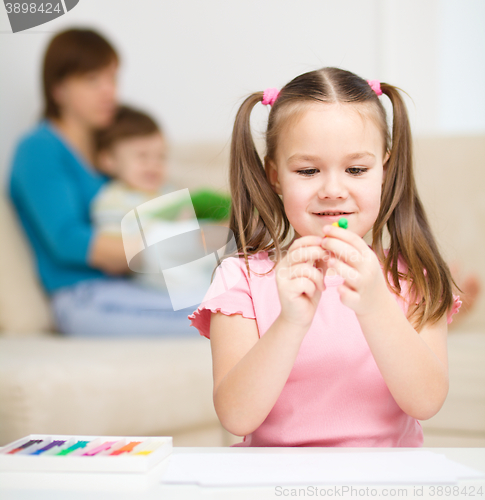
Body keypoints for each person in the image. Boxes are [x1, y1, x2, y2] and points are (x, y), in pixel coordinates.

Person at [188, 67, 463, 447]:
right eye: (308, 170)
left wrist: (375, 307)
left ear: (383, 170)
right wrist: (290, 322)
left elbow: (427, 401)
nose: (333, 190)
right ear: (275, 176)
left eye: (355, 169)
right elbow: (237, 417)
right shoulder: (241, 278)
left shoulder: (416, 273)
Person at [8, 28, 199, 337]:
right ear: (58, 89)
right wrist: (168, 249)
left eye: (112, 79)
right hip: (82, 295)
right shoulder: (39, 148)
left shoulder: (108, 151)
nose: (109, 91)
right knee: (218, 317)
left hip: (127, 287)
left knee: (233, 303)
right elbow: (67, 240)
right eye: (92, 80)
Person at [91, 104, 232, 291]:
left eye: (161, 157)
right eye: (142, 157)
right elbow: (116, 247)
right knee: (159, 236)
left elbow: (185, 218)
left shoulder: (168, 191)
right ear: (109, 160)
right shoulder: (112, 199)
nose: (153, 165)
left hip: (191, 260)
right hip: (151, 270)